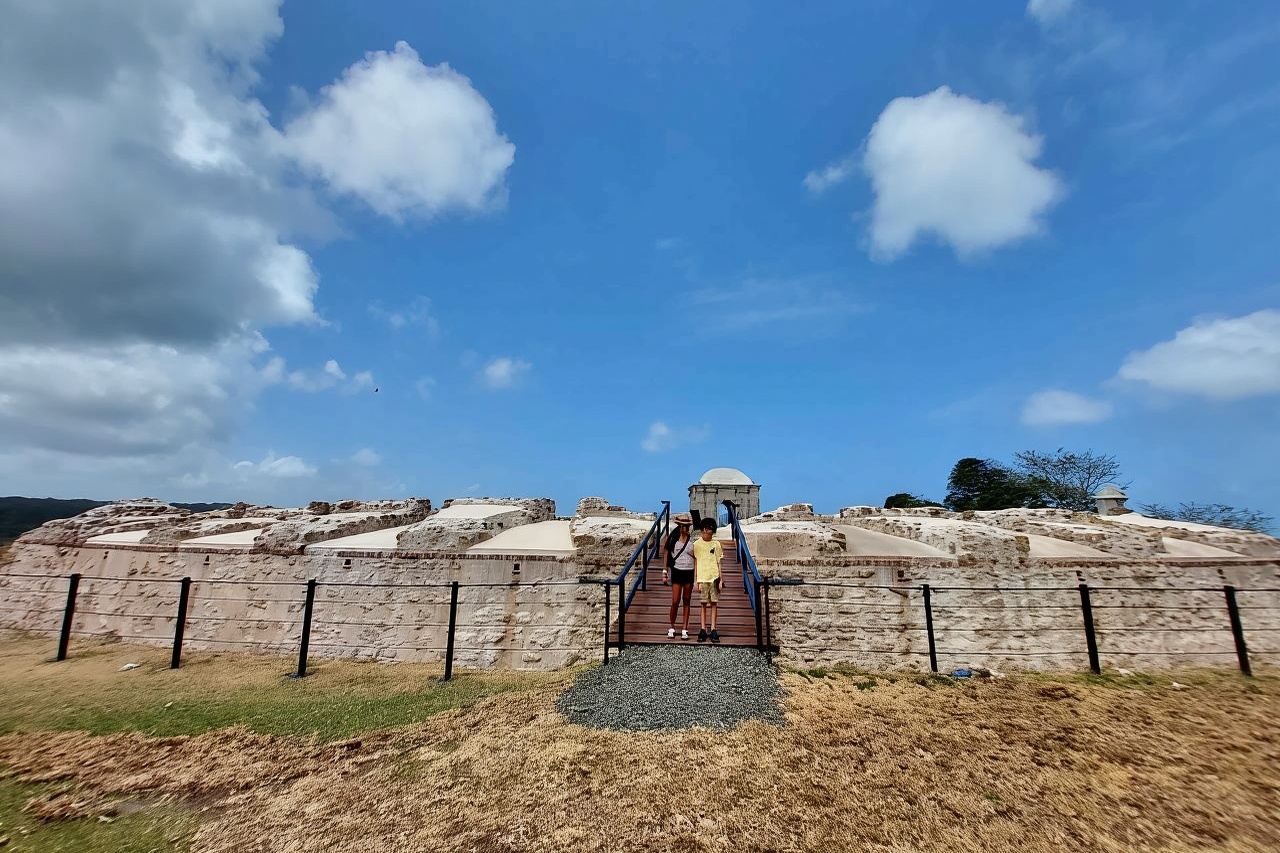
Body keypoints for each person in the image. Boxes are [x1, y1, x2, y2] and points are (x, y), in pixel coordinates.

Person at [661, 513, 696, 639]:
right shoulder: (673, 539)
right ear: (679, 527)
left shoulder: (693, 541)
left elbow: (697, 557)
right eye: (683, 526)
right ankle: (672, 626)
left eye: (687, 526)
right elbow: (666, 552)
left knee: (686, 600)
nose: (685, 528)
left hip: (689, 571)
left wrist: (697, 578)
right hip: (677, 571)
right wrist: (665, 571)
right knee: (675, 601)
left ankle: (684, 628)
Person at [693, 516, 722, 643]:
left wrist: (721, 579)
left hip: (714, 577)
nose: (707, 531)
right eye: (705, 529)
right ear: (702, 530)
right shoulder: (696, 545)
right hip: (702, 578)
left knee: (714, 604)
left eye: (709, 529)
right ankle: (703, 628)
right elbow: (695, 562)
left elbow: (719, 562)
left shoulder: (717, 544)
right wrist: (696, 580)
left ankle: (714, 628)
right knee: (703, 604)